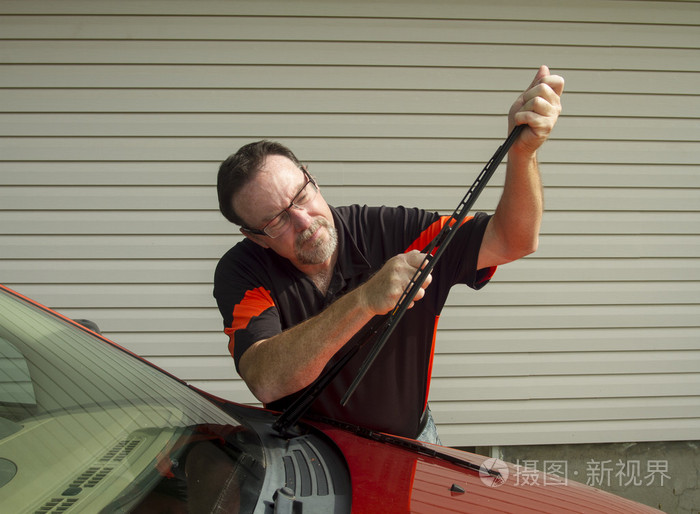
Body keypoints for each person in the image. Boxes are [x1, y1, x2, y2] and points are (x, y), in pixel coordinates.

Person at [214, 65, 564, 443]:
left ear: (312, 178)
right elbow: (265, 381)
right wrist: (364, 300)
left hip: (409, 444)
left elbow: (513, 241)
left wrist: (523, 154)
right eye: (277, 220)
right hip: (306, 457)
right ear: (255, 236)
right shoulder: (243, 269)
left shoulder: (392, 231)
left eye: (302, 195)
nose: (304, 220)